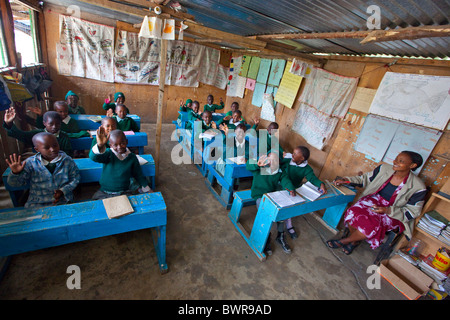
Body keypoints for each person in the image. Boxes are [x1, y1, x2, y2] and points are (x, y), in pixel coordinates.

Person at [326, 151, 427, 255]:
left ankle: (344, 241)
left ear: (412, 165)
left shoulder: (418, 187)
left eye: (401, 161)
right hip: (373, 201)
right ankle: (354, 241)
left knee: (371, 224)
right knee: (353, 211)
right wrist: (346, 180)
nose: (395, 162)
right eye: (396, 159)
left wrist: (387, 210)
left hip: (394, 212)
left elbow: (413, 211)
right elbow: (365, 179)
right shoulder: (384, 169)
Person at [6, 132, 80, 208]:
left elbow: (75, 178)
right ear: (37, 149)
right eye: (47, 148)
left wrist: (63, 190)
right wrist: (16, 173)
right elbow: (14, 184)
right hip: (37, 202)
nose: (53, 149)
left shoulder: (67, 160)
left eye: (55, 145)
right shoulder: (30, 163)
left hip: (63, 200)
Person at [246, 152, 296, 254]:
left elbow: (285, 181)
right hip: (260, 195)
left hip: (272, 195)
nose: (273, 162)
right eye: (271, 160)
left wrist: (291, 189)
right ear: (266, 161)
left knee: (282, 211)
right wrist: (257, 164)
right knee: (265, 211)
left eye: (276, 160)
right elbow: (248, 165)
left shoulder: (279, 172)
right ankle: (266, 237)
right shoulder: (260, 168)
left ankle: (280, 236)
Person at [89, 128, 151, 200]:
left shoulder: (132, 157)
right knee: (97, 206)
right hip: (105, 192)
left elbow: (138, 174)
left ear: (126, 142)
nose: (119, 147)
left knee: (131, 205)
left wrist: (147, 188)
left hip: (124, 192)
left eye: (122, 143)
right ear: (110, 145)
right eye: (115, 145)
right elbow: (93, 157)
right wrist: (100, 145)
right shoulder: (108, 153)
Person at [281, 146, 327, 239]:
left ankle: (288, 224)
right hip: (282, 185)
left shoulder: (306, 168)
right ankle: (285, 225)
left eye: (295, 154)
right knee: (284, 203)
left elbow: (312, 178)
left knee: (292, 203)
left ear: (302, 158)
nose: (292, 155)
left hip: (295, 188)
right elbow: (278, 168)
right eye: (292, 153)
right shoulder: (287, 161)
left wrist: (321, 184)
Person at [3, 107, 73, 157]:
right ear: (44, 123)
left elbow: (68, 154)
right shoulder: (37, 135)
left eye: (57, 124)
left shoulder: (64, 137)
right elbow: (20, 135)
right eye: (51, 124)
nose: (54, 127)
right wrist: (9, 123)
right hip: (39, 165)